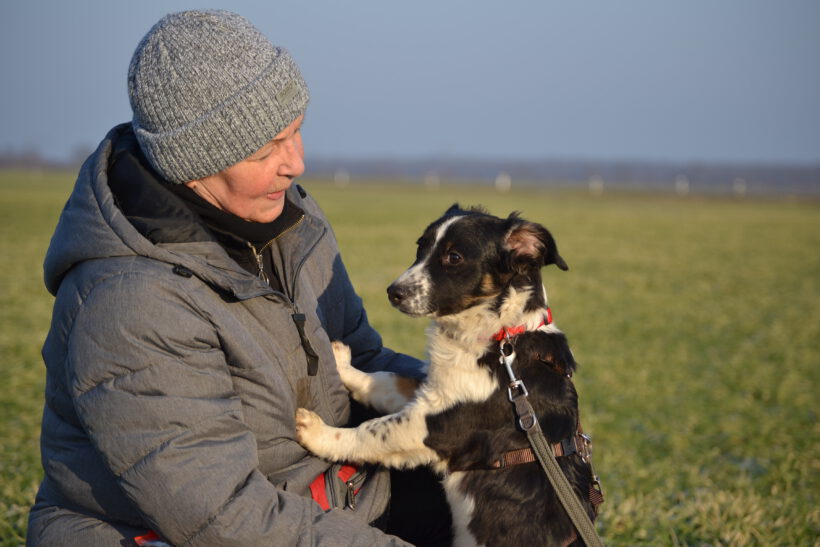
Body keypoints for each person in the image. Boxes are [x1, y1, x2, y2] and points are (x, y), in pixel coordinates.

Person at [27, 10, 451, 546]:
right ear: (194, 165)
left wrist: (483, 404)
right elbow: (224, 517)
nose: (295, 163)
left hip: (323, 492)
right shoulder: (130, 303)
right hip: (184, 532)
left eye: (296, 130)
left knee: (525, 497)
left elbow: (358, 357)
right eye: (265, 149)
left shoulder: (289, 219)